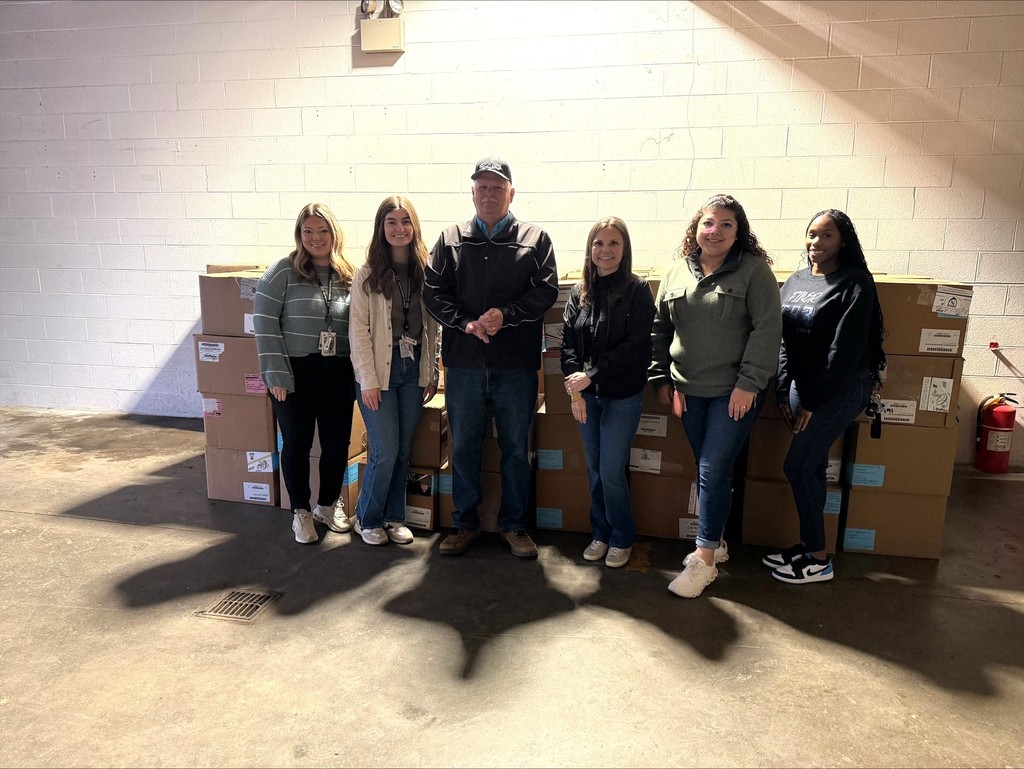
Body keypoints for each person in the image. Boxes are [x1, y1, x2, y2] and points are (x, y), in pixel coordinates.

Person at [423, 156, 558, 558]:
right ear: (472, 192)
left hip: (515, 366)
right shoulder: (449, 239)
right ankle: (464, 523)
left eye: (497, 187)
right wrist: (465, 323)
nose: (489, 193)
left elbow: (545, 291)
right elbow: (433, 292)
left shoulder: (536, 239)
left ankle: (514, 526)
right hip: (464, 364)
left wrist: (506, 316)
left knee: (516, 447)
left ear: (511, 193)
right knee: (464, 446)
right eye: (482, 187)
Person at [650, 193, 782, 598]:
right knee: (709, 470)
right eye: (709, 223)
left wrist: (749, 383)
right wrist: (663, 382)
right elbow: (660, 330)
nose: (716, 231)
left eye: (727, 224)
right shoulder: (675, 272)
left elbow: (767, 330)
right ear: (696, 228)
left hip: (733, 394)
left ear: (739, 232)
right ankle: (718, 542)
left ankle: (704, 559)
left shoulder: (754, 272)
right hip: (687, 392)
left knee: (712, 468)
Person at [767, 209, 886, 584]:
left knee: (798, 466)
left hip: (842, 385)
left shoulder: (855, 282)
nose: (816, 242)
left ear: (843, 241)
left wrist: (814, 401)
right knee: (812, 466)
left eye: (827, 236)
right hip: (804, 386)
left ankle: (818, 558)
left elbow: (844, 352)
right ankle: (809, 546)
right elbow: (782, 339)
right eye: (811, 234)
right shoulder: (796, 280)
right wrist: (784, 389)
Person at [254, 203, 356, 544]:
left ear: (334, 234)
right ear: (299, 235)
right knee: (297, 443)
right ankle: (300, 510)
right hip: (294, 372)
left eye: (323, 230)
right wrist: (275, 374)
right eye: (308, 231)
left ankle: (327, 505)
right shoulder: (282, 271)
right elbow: (264, 324)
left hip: (338, 371)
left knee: (336, 444)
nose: (316, 238)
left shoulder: (348, 274)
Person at [562, 217, 655, 569]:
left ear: (624, 249)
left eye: (613, 243)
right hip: (586, 397)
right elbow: (568, 345)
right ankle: (600, 533)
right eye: (598, 243)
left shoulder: (637, 290)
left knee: (611, 469)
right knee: (594, 469)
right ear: (590, 249)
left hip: (621, 397)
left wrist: (591, 376)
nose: (605, 250)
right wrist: (576, 393)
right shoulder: (579, 292)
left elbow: (636, 348)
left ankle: (621, 537)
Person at [348, 196, 440, 546]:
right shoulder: (367, 273)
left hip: (412, 369)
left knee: (403, 450)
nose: (399, 228)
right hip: (379, 375)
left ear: (414, 226)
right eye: (391, 222)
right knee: (384, 450)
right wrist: (368, 381)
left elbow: (433, 327)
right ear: (381, 227)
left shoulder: (425, 271)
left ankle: (394, 516)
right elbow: (358, 331)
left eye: (405, 221)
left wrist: (432, 372)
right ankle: (367, 518)